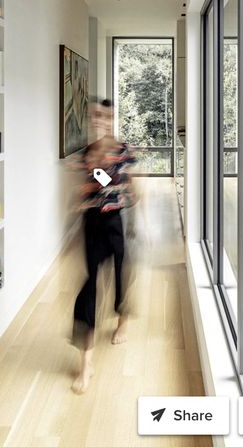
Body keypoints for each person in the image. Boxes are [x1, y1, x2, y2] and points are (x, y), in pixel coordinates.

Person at [71, 98, 136, 394]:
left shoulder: (122, 150)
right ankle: (86, 362)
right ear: (91, 119)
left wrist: (139, 218)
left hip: (115, 221)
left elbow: (131, 184)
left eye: (105, 116)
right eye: (95, 116)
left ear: (111, 119)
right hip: (91, 222)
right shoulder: (85, 154)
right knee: (90, 284)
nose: (100, 120)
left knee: (121, 272)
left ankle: (122, 320)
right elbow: (80, 191)